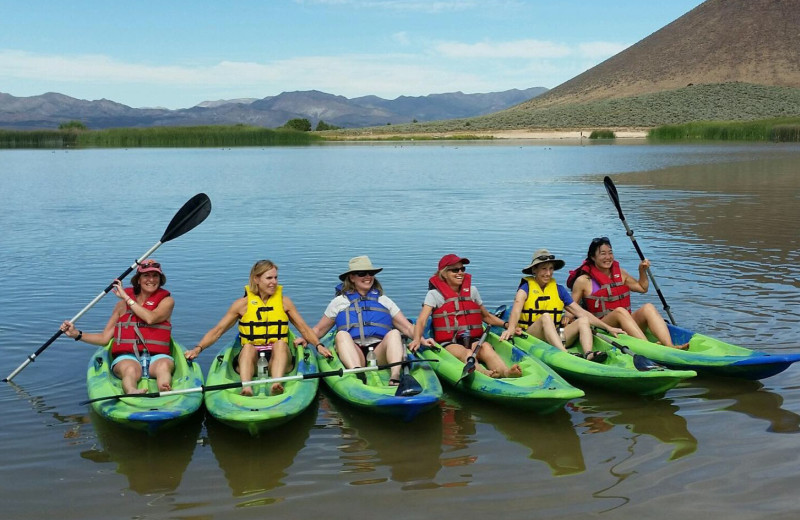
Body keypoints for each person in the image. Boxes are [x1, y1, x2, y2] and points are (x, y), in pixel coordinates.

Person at [185, 260, 331, 396]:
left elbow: (304, 328)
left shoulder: (284, 302)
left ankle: (276, 383)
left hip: (279, 360)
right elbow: (218, 331)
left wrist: (318, 346)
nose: (274, 282)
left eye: (276, 278)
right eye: (269, 278)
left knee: (280, 343)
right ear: (256, 279)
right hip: (252, 362)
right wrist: (198, 348)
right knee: (248, 347)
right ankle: (246, 387)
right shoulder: (242, 305)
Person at [60, 259, 175, 393]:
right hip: (128, 357)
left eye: (155, 276)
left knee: (164, 366)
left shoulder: (167, 301)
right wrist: (77, 334)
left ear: (160, 280)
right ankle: (132, 391)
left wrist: (126, 298)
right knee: (130, 370)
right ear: (138, 280)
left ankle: (164, 387)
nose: (151, 280)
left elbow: (151, 318)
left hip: (158, 356)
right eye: (146, 275)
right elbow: (104, 339)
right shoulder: (121, 306)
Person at [499, 249, 624, 362]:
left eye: (551, 269)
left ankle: (588, 353)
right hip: (531, 335)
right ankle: (565, 354)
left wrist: (608, 327)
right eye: (543, 269)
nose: (548, 273)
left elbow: (581, 312)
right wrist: (511, 328)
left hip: (558, 335)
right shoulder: (525, 288)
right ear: (534, 270)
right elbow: (516, 309)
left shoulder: (559, 290)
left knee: (583, 320)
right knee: (546, 317)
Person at [308, 256, 415, 386]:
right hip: (354, 350)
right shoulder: (339, 302)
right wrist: (305, 338)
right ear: (351, 277)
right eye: (361, 273)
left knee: (394, 334)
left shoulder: (383, 300)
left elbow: (407, 328)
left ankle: (395, 375)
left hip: (379, 352)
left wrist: (421, 339)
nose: (368, 277)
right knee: (341, 334)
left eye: (371, 273)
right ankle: (358, 373)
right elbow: (319, 329)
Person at [410, 254, 522, 378]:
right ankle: (484, 373)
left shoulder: (472, 291)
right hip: (449, 342)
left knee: (485, 347)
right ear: (444, 273)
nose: (460, 273)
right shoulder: (434, 295)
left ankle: (506, 372)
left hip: (472, 338)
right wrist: (416, 339)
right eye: (455, 270)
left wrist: (507, 325)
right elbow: (422, 320)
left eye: (462, 269)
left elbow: (486, 316)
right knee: (467, 353)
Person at [567, 236, 688, 349]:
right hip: (603, 327)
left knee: (648, 307)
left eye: (610, 253)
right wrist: (566, 321)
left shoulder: (620, 273)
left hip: (626, 323)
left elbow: (642, 288)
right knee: (620, 311)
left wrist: (642, 271)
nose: (608, 257)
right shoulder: (583, 281)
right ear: (593, 257)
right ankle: (649, 348)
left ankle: (669, 346)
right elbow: (571, 308)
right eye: (603, 254)